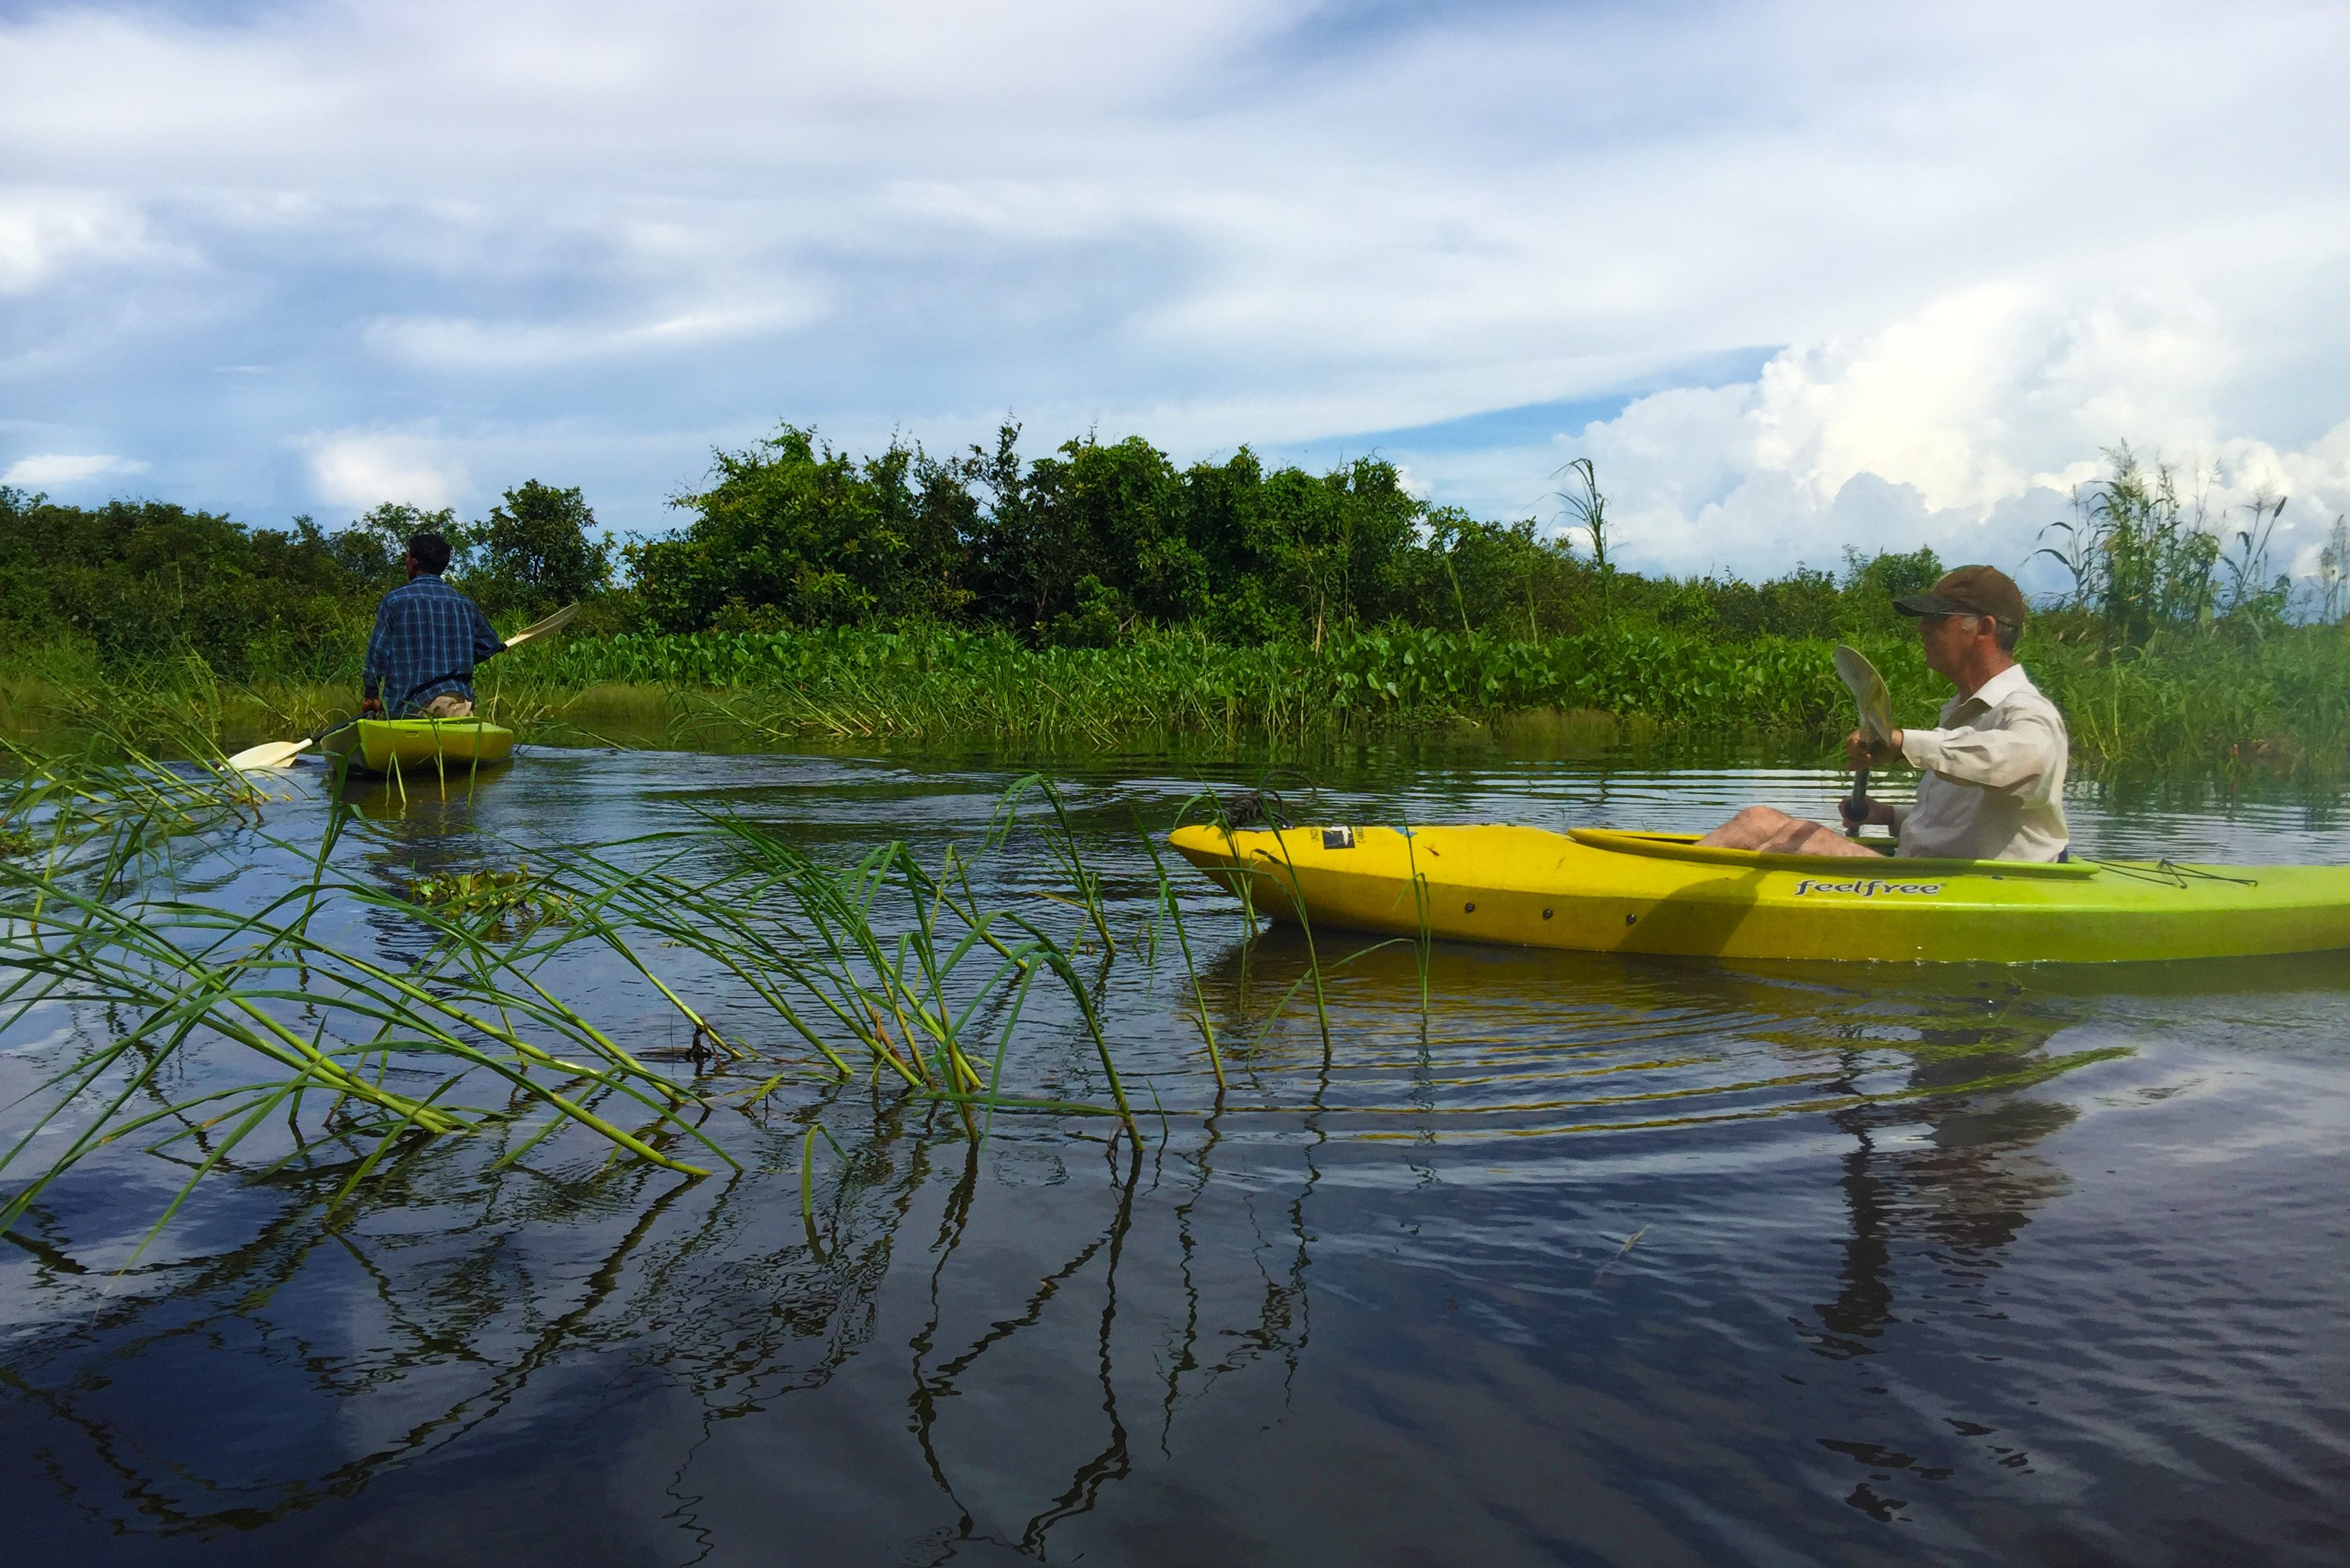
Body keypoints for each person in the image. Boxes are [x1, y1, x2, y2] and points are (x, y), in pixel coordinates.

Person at [1698, 564, 2069, 862]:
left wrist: (1904, 743)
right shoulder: (1962, 712)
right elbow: (1965, 824)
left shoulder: (2028, 711)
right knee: (1756, 819)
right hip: (1926, 873)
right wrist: (1890, 816)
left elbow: (2023, 763)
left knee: (1796, 848)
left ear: (1985, 628)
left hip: (1985, 890)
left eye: (1938, 619)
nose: (1922, 628)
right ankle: (1660, 888)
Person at [360, 531, 505, 720]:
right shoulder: (465, 604)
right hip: (459, 705)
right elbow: (490, 645)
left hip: (411, 706)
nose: (405, 560)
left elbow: (377, 656)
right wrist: (456, 659)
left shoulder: (395, 601)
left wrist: (371, 695)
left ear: (415, 562)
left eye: (407, 556)